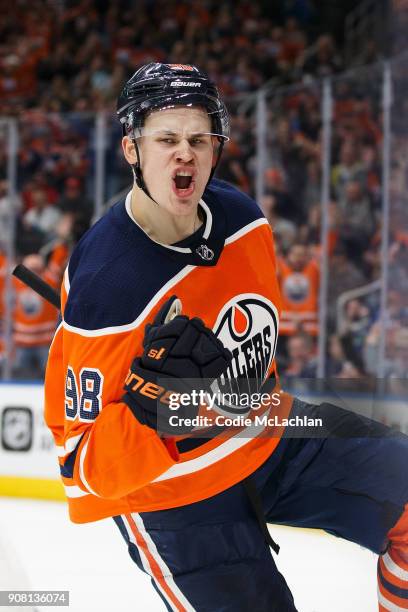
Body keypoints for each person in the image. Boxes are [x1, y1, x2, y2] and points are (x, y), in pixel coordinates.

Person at [44, 63, 408, 611]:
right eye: (166, 139)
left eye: (199, 138)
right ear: (131, 150)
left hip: (267, 434)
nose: (184, 153)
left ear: (218, 148)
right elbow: (82, 468)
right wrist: (153, 414)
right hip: (176, 498)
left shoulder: (243, 220)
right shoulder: (107, 285)